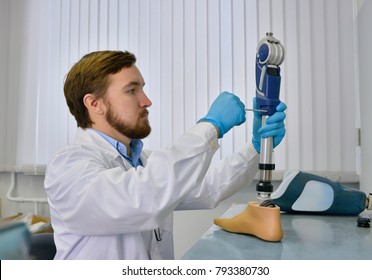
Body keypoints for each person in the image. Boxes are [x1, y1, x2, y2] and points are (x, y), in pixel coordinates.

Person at [44, 50, 287, 260]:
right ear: (94, 104)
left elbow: (207, 188)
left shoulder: (142, 162)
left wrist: (255, 148)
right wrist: (210, 126)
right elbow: (142, 198)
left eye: (143, 89)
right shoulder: (68, 168)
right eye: (131, 91)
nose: (146, 101)